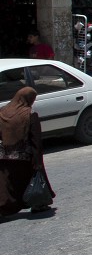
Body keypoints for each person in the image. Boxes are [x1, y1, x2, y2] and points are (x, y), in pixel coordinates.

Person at [0, 87, 52, 217]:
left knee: (6, 185)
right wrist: (38, 162)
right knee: (31, 180)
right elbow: (36, 140)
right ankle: (37, 203)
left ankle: (3, 209)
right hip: (24, 158)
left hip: (4, 156)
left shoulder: (3, 112)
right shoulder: (30, 114)